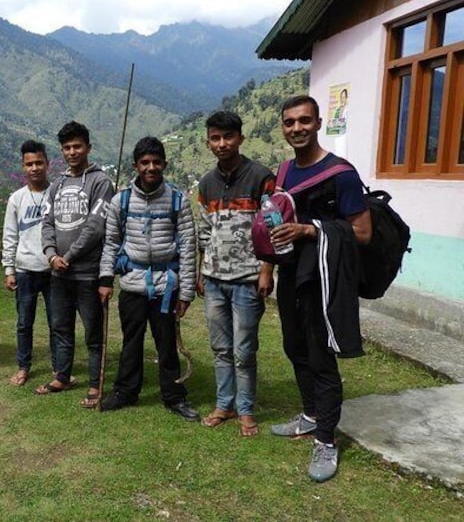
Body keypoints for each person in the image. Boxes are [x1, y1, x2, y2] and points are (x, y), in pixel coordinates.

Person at [269, 95, 371, 483]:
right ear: (282, 126)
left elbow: (362, 232)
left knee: (320, 355)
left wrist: (309, 229)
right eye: (290, 122)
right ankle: (310, 415)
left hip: (324, 281)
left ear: (318, 123)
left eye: (304, 121)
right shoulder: (283, 172)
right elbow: (278, 222)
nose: (297, 128)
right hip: (291, 275)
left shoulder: (341, 174)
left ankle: (326, 439)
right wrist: (268, 266)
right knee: (294, 347)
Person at [97, 136, 199, 420]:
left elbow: (188, 248)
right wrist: (105, 279)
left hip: (166, 285)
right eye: (145, 162)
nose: (151, 167)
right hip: (132, 282)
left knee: (166, 343)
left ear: (164, 164)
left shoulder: (178, 200)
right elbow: (110, 243)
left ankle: (174, 395)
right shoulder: (122, 201)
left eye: (156, 162)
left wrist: (186, 293)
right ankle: (125, 392)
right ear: (136, 165)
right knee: (132, 340)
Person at [196, 111, 276, 436]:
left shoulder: (261, 177)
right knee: (220, 347)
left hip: (247, 280)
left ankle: (245, 410)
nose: (222, 144)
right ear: (208, 141)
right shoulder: (206, 183)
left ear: (241, 138)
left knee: (244, 350)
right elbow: (204, 231)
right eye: (215, 138)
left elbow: (273, 227)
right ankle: (224, 404)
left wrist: (266, 271)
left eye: (228, 137)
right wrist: (202, 271)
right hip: (214, 280)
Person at [37, 121, 113, 408]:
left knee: (93, 331)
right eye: (67, 147)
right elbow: (47, 222)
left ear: (88, 148)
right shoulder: (56, 184)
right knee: (61, 327)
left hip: (87, 273)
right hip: (58, 272)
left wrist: (68, 258)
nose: (72, 151)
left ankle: (95, 383)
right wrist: (51, 254)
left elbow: (95, 227)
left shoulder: (100, 182)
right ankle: (63, 375)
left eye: (77, 146)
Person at [2, 140, 56, 386]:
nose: (34, 168)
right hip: (25, 270)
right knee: (24, 323)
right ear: (23, 167)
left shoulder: (57, 193)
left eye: (39, 163)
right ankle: (23, 367)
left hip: (53, 270)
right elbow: (10, 235)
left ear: (47, 163)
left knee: (57, 322)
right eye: (29, 164)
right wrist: (9, 269)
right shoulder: (16, 199)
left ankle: (60, 367)